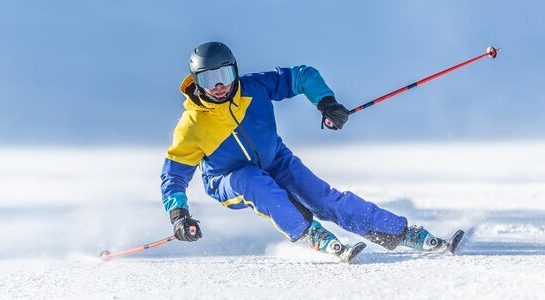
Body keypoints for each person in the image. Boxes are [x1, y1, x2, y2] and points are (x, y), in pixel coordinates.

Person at [161, 41, 452, 262]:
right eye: (210, 80)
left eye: (225, 74)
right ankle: (309, 232)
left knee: (323, 197)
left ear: (235, 70)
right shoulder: (192, 125)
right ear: (197, 81)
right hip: (228, 179)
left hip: (275, 159)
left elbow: (302, 76)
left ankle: (401, 232)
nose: (220, 86)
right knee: (251, 180)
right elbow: (174, 176)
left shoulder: (254, 88)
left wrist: (326, 103)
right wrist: (179, 215)